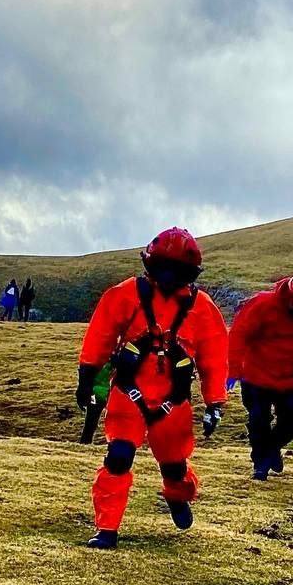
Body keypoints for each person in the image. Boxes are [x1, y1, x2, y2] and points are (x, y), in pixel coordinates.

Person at [75, 227, 228, 550]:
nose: (169, 277)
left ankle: (177, 494)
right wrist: (86, 376)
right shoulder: (125, 295)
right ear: (151, 265)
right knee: (118, 456)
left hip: (173, 402)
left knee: (174, 467)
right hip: (129, 393)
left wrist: (215, 402)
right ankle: (107, 529)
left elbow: (214, 358)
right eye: (164, 268)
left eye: (177, 271)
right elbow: (100, 335)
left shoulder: (203, 308)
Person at [227, 271, 293, 480]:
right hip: (256, 375)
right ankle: (260, 465)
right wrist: (233, 371)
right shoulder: (262, 304)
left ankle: (271, 447)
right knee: (258, 421)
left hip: (291, 378)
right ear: (289, 295)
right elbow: (238, 335)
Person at [79, 364, 113, 445]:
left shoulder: (102, 364)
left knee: (91, 421)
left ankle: (85, 442)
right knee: (92, 421)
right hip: (103, 395)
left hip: (96, 395)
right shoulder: (114, 366)